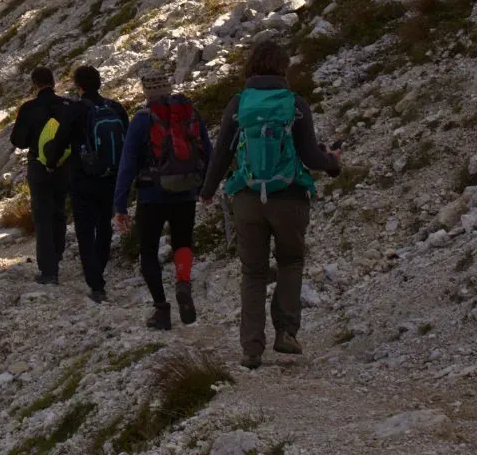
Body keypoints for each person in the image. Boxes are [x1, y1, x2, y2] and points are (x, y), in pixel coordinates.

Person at [200, 39, 342, 369]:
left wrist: (207, 191)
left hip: (248, 199)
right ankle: (286, 333)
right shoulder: (295, 104)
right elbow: (309, 155)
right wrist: (332, 163)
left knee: (253, 272)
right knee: (291, 261)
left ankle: (251, 348)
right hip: (290, 198)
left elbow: (221, 154)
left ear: (251, 66)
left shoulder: (238, 104)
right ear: (283, 68)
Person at [114, 69, 210, 330]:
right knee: (183, 243)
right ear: (168, 86)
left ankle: (161, 309)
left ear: (146, 91)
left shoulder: (142, 119)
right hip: (186, 192)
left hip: (151, 196)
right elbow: (207, 151)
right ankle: (183, 282)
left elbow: (127, 164)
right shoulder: (189, 114)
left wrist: (120, 205)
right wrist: (205, 188)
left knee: (148, 251)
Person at [8, 65, 81, 285]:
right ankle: (57, 253)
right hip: (65, 166)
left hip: (39, 166)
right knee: (59, 211)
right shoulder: (69, 105)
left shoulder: (29, 108)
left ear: (35, 84)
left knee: (42, 215)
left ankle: (49, 270)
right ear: (54, 82)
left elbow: (17, 141)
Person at [67, 65, 129, 303]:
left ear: (78, 86)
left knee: (84, 231)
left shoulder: (75, 110)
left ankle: (96, 283)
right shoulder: (115, 108)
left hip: (83, 179)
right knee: (104, 225)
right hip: (112, 177)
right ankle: (99, 271)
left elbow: (62, 140)